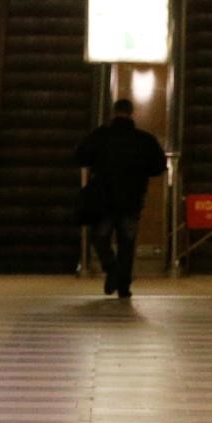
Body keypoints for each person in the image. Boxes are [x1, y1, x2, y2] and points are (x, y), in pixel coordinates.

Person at [75, 99, 167, 298]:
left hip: (103, 199)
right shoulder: (144, 139)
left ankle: (111, 268)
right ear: (131, 113)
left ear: (114, 112)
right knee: (127, 242)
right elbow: (159, 166)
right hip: (132, 199)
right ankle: (124, 286)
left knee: (99, 238)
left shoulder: (100, 136)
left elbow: (80, 156)